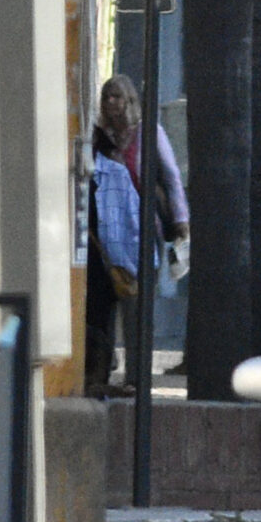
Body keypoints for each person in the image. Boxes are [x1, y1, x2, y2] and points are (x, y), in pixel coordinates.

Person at [82, 74, 189, 395]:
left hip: (142, 233)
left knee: (136, 307)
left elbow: (170, 180)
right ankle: (98, 370)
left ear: (130, 100)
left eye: (117, 96)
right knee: (101, 304)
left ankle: (136, 378)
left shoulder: (148, 135)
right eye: (106, 97)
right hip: (102, 235)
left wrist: (181, 222)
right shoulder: (95, 138)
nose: (111, 103)